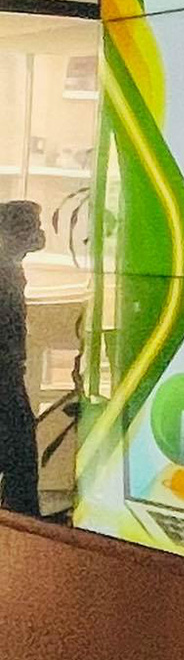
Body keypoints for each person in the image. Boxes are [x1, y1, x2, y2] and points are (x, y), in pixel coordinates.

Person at [0, 199, 46, 519]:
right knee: (20, 455)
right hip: (6, 376)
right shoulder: (6, 274)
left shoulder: (11, 271)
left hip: (10, 373)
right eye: (31, 228)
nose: (39, 236)